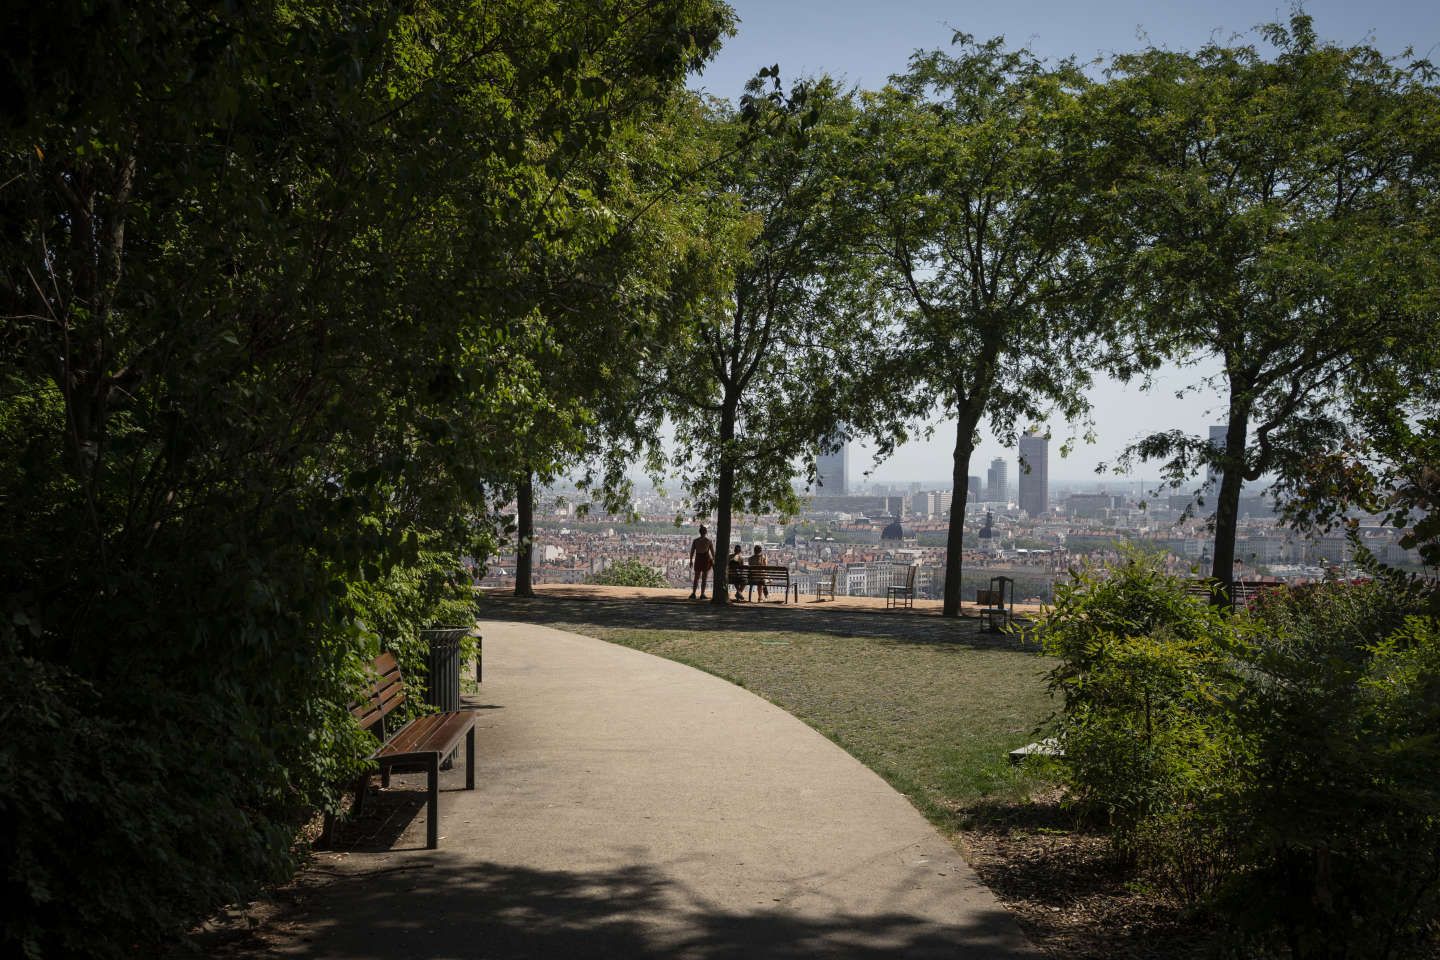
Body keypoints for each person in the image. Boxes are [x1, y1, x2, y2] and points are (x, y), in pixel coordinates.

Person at [688, 524, 715, 599]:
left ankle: (693, 593)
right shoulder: (708, 541)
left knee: (696, 577)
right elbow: (713, 553)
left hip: (698, 558)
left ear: (700, 532)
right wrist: (714, 561)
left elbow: (692, 552)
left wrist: (690, 561)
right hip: (706, 559)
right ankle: (702, 594)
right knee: (704, 578)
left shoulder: (695, 541)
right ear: (706, 532)